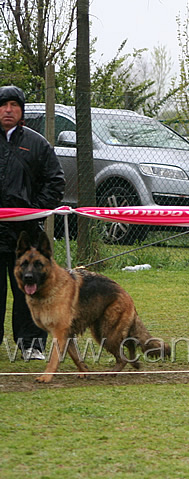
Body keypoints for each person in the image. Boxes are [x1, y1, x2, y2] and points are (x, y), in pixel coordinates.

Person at [0, 85, 65, 360]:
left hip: (24, 234)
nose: (8, 110)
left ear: (22, 111)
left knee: (29, 288)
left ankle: (31, 345)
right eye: (3, 105)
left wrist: (34, 210)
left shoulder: (37, 144)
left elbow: (55, 181)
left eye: (14, 105)